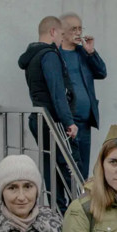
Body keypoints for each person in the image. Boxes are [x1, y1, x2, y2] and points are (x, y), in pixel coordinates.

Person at [19, 15, 79, 212]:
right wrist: (69, 121)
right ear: (53, 32)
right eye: (61, 34)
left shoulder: (32, 55)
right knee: (68, 166)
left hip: (39, 118)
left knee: (50, 165)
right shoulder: (50, 55)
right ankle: (75, 213)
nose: (62, 39)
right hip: (53, 120)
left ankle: (57, 211)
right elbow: (57, 91)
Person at [57, 12, 107, 181]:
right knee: (66, 168)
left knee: (83, 170)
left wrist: (91, 52)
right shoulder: (55, 54)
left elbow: (102, 73)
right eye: (73, 29)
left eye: (80, 28)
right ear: (62, 32)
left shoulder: (83, 53)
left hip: (85, 122)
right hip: (67, 123)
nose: (78, 33)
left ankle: (80, 197)